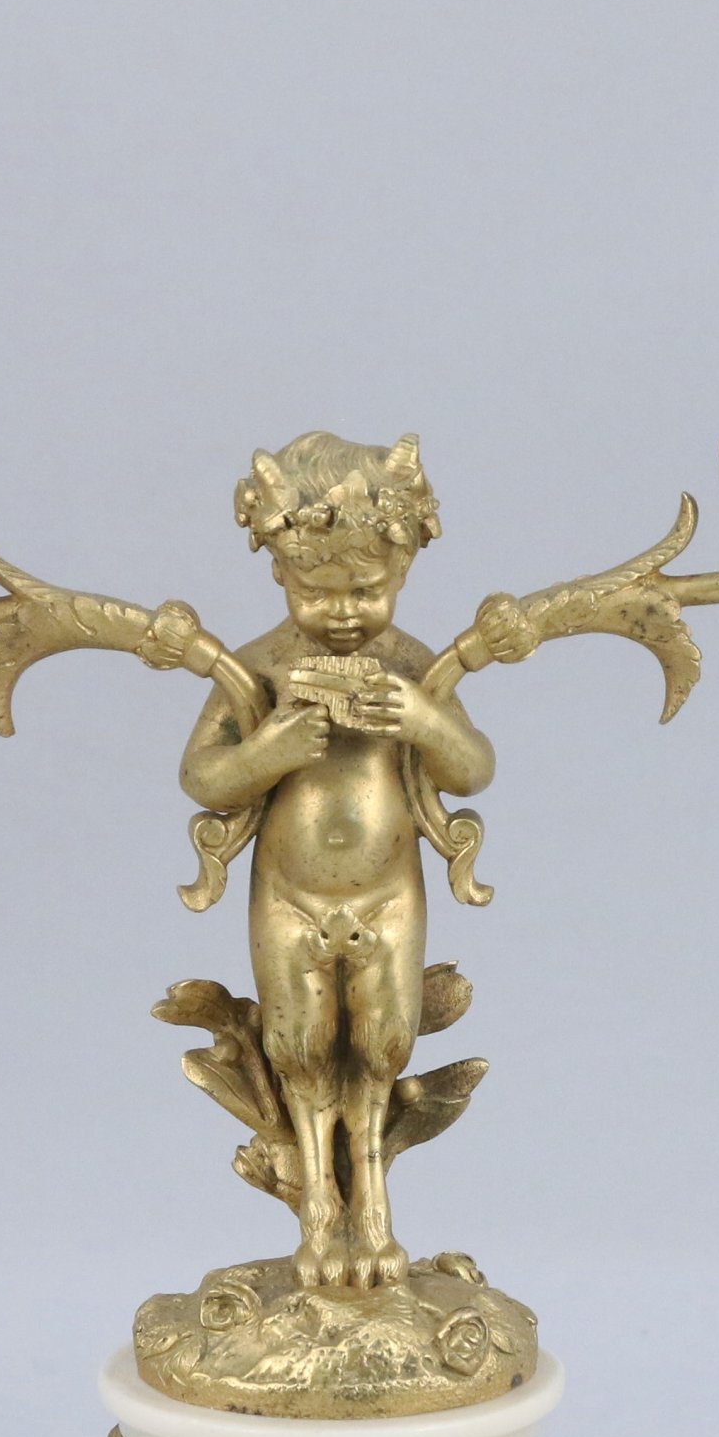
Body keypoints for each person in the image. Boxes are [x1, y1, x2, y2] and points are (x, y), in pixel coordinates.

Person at [176, 433, 496, 1291]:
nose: (345, 611)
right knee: (304, 1050)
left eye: (367, 589)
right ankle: (321, 1206)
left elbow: (472, 768)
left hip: (388, 897)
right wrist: (268, 752)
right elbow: (202, 776)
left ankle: (374, 1211)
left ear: (405, 569)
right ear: (280, 572)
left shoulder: (411, 667)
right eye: (316, 591)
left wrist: (422, 720)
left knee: (383, 1048)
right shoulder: (260, 669)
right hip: (290, 897)